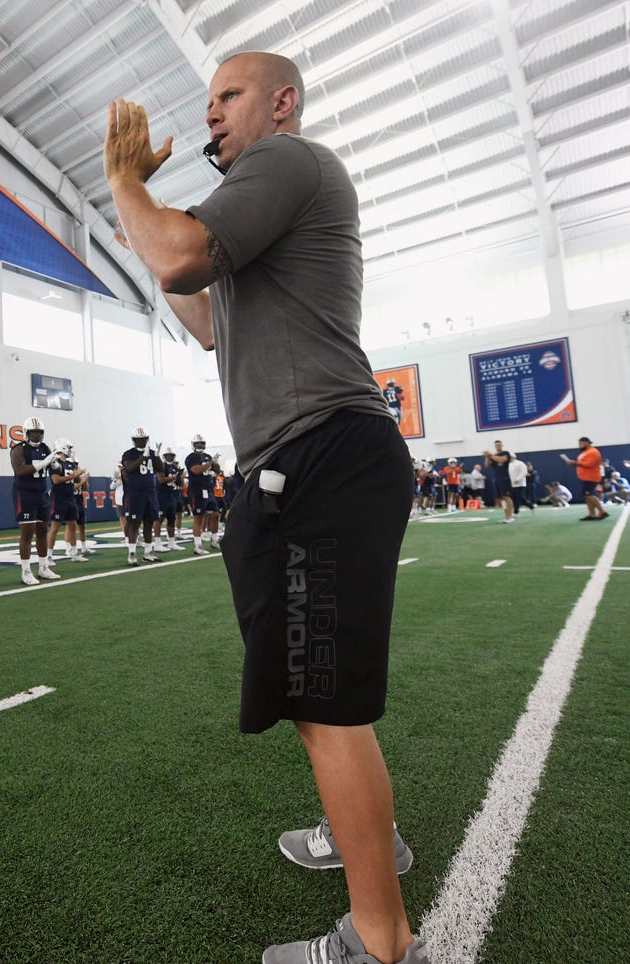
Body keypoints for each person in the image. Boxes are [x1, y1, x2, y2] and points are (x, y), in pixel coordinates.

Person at [105, 51, 426, 963]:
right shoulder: (261, 208)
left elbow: (177, 256)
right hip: (306, 461)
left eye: (228, 98)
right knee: (319, 695)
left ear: (280, 104)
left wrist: (127, 185)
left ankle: (380, 941)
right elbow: (202, 312)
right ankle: (368, 843)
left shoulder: (285, 160)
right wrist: (147, 222)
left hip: (316, 456)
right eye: (205, 103)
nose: (210, 116)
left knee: (325, 703)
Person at [10, 416, 63, 585]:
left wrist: (55, 465)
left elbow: (59, 470)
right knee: (27, 533)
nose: (36, 436)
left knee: (42, 531)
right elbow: (19, 470)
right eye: (33, 433)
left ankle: (43, 567)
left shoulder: (46, 448)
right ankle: (25, 571)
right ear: (26, 433)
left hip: (42, 494)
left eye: (39, 433)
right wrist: (43, 463)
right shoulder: (19, 449)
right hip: (25, 494)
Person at [119, 428, 162, 566]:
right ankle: (131, 553)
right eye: (139, 439)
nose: (141, 441)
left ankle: (148, 552)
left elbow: (160, 468)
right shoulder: (129, 454)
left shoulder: (152, 453)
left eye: (143, 439)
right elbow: (130, 468)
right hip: (135, 493)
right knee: (134, 523)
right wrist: (143, 456)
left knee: (149, 522)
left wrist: (157, 455)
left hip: (150, 492)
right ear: (134, 440)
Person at [47, 439, 87, 563]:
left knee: (72, 525)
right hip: (58, 498)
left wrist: (80, 476)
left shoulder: (70, 464)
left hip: (70, 497)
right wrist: (74, 476)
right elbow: (56, 480)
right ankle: (48, 556)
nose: (70, 450)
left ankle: (74, 553)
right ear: (63, 448)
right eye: (68, 448)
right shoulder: (55, 463)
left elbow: (76, 481)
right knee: (55, 527)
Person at [185, 435, 220, 555]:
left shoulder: (207, 456)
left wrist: (215, 463)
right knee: (198, 517)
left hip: (208, 489)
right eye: (198, 443)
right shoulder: (191, 458)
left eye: (202, 443)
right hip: (197, 490)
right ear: (193, 444)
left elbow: (217, 471)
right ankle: (197, 545)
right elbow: (197, 470)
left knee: (215, 514)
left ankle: (214, 540)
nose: (200, 445)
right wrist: (210, 463)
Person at [560, 437, 609, 521]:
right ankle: (592, 514)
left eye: (580, 444)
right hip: (585, 477)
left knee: (589, 495)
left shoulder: (593, 452)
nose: (579, 446)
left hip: (591, 477)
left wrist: (574, 463)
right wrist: (574, 464)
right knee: (587, 495)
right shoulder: (585, 453)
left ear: (586, 443)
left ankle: (602, 512)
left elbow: (588, 464)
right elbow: (581, 464)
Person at [157, 446, 185, 551]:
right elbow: (161, 480)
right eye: (168, 455)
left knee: (172, 519)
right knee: (159, 519)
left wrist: (180, 477)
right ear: (164, 456)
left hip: (172, 495)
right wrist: (175, 477)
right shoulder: (161, 466)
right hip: (161, 495)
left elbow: (180, 484)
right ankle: (157, 543)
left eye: (172, 455)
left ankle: (171, 542)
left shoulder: (175, 467)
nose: (170, 457)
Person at [484, 441, 513, 523]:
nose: (498, 446)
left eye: (499, 444)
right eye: (496, 445)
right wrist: (486, 457)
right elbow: (487, 466)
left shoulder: (505, 453)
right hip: (497, 478)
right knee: (502, 498)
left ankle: (510, 517)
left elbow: (502, 460)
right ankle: (506, 517)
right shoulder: (493, 456)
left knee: (507, 497)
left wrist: (490, 455)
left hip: (504, 478)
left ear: (502, 445)